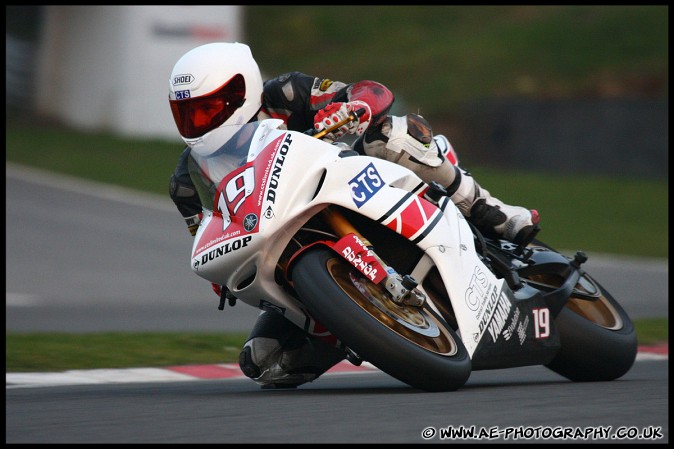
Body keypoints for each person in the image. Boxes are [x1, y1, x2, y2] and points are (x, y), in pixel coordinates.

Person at [168, 42, 540, 389]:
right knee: (263, 361)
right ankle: (353, 325)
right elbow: (203, 230)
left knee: (392, 134)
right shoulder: (188, 180)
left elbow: (371, 92)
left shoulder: (284, 93)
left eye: (207, 108)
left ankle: (486, 208)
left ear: (241, 91)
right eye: (186, 114)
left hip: (351, 184)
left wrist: (353, 106)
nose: (198, 122)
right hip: (282, 241)